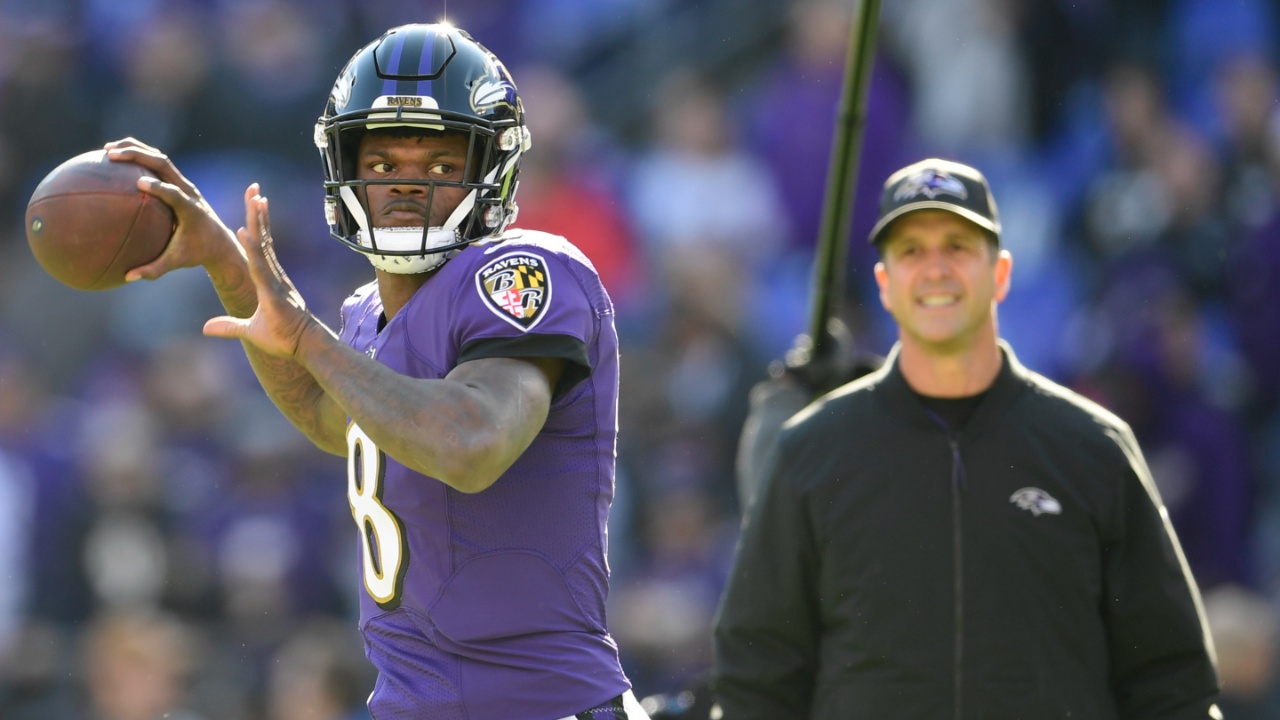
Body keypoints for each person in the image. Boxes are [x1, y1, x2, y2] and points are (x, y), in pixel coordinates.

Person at [103, 23, 648, 720]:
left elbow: (470, 442)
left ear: (494, 168)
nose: (408, 186)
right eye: (383, 163)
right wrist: (225, 263)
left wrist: (306, 337)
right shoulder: (364, 312)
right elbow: (335, 419)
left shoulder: (526, 270)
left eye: (442, 165)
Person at [711, 158, 1223, 719]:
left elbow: (1172, 684)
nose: (935, 270)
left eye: (957, 246)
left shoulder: (1092, 447)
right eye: (911, 251)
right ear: (884, 284)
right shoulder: (810, 453)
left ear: (1000, 273)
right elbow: (754, 685)